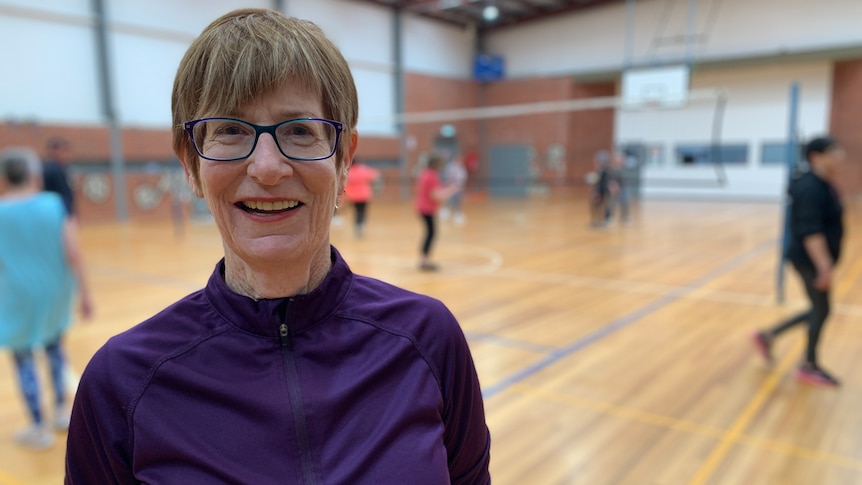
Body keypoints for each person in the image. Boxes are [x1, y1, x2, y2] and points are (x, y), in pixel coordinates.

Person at [65, 9, 491, 484]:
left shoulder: (429, 340)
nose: (267, 167)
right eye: (230, 130)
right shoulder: (122, 382)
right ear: (190, 164)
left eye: (299, 131)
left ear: (344, 158)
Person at [0, 147, 93, 450]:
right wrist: (85, 292)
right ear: (33, 174)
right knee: (54, 350)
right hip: (55, 291)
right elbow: (74, 251)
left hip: (17, 296)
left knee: (23, 358)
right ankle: (61, 414)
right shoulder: (55, 204)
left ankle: (38, 426)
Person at [752, 136, 845, 386]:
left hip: (812, 260)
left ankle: (768, 336)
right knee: (821, 309)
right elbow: (810, 231)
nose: (839, 159)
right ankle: (809, 365)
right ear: (816, 157)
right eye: (834, 153)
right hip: (809, 261)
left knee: (819, 308)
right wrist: (823, 266)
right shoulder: (811, 187)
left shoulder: (822, 184)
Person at [416, 153, 457, 271]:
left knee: (430, 233)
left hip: (423, 208)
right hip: (427, 209)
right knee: (431, 233)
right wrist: (451, 190)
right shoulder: (431, 176)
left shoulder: (425, 174)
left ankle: (424, 259)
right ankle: (424, 260)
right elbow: (436, 195)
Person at [343, 157, 380, 238]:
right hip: (365, 195)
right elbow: (376, 175)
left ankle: (358, 227)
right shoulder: (364, 170)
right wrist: (376, 189)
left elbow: (345, 184)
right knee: (363, 211)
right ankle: (361, 226)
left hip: (354, 196)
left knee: (357, 212)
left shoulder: (349, 172)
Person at [42, 137, 76, 218]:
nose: (66, 155)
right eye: (64, 151)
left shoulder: (56, 168)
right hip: (56, 212)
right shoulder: (53, 169)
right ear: (56, 151)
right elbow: (63, 195)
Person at [441, 155, 468, 225]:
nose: (460, 162)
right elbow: (448, 175)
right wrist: (448, 185)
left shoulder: (462, 168)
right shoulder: (450, 167)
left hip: (458, 187)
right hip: (450, 186)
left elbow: (463, 177)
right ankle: (445, 212)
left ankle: (457, 214)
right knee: (448, 199)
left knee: (457, 201)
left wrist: (461, 185)